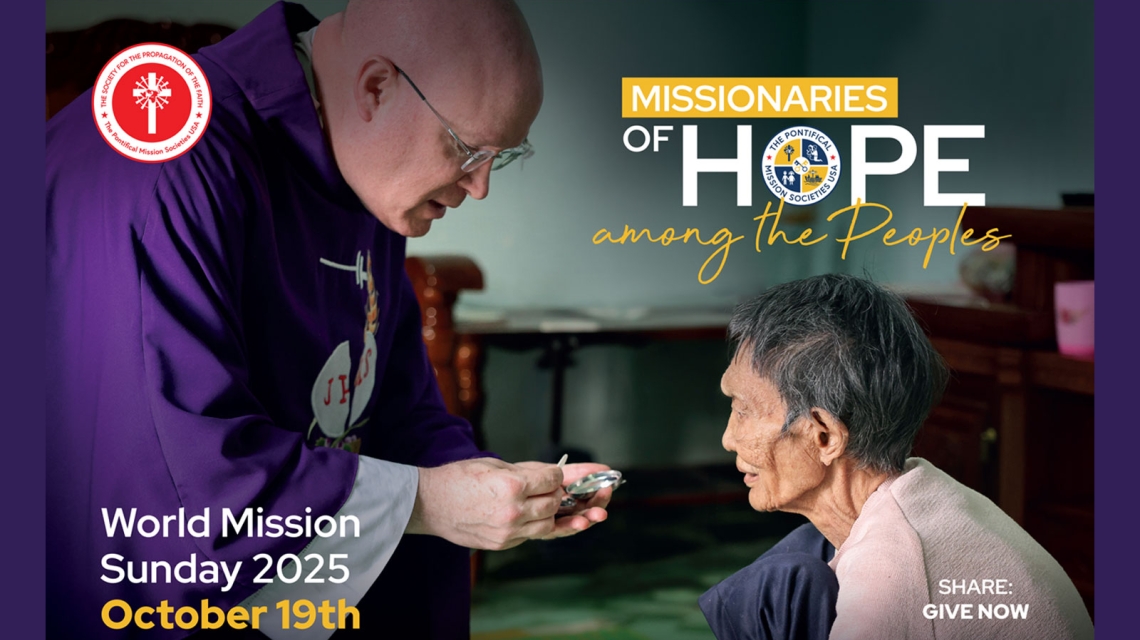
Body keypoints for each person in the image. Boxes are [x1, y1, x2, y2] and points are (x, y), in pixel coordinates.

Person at [46, 1, 610, 638]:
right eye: (465, 148)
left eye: (500, 157)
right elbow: (178, 490)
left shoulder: (359, 165)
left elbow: (396, 409)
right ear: (376, 87)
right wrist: (428, 502)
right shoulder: (163, 152)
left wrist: (496, 486)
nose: (480, 187)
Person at [700, 274, 1093, 640]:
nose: (728, 439)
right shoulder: (919, 497)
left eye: (743, 410)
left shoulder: (887, 573)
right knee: (800, 557)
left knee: (776, 589)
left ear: (824, 436)